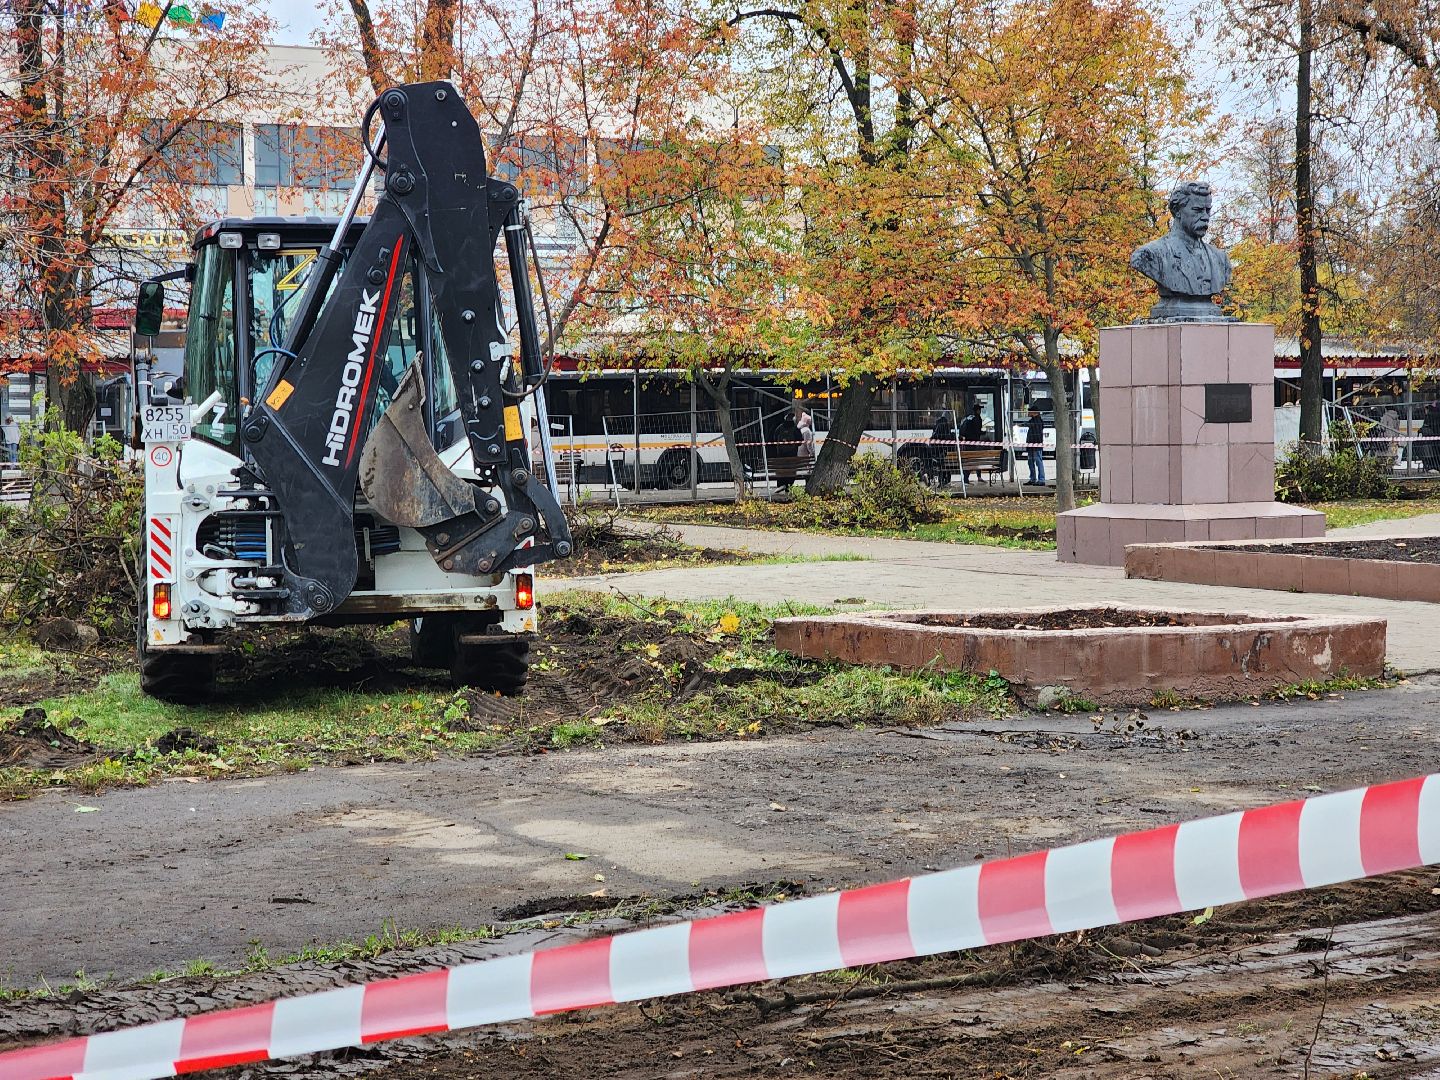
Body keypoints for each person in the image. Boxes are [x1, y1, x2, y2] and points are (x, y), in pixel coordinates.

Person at [956, 402, 985, 483]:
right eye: (979, 410)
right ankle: (976, 477)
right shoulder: (977, 419)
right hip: (974, 443)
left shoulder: (968, 418)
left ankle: (966, 478)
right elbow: (977, 431)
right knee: (975, 460)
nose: (980, 411)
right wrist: (983, 433)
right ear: (977, 411)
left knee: (969, 460)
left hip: (967, 443)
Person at [1025, 405, 1047, 487]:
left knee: (1038, 461)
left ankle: (1041, 479)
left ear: (1034, 412)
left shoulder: (1037, 421)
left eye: (1029, 411)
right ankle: (1033, 478)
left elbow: (1035, 432)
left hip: (1036, 445)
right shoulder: (1034, 420)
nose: (1028, 413)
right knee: (1030, 462)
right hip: (1031, 444)